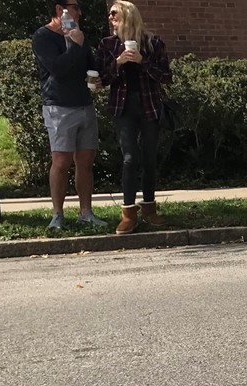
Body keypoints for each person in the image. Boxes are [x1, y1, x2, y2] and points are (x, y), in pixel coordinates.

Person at [98, 1, 172, 235]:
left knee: (149, 158)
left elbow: (166, 77)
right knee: (130, 158)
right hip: (124, 109)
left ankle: (149, 209)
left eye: (114, 14)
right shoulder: (108, 45)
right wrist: (118, 62)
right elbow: (102, 79)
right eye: (110, 15)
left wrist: (142, 60)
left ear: (128, 16)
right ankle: (128, 213)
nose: (110, 18)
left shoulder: (153, 43)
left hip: (149, 106)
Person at [33, 1, 105, 230]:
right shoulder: (43, 37)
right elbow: (57, 68)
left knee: (85, 162)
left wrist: (96, 79)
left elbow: (89, 66)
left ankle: (86, 213)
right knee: (61, 162)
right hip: (59, 107)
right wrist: (74, 44)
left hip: (84, 105)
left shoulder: (79, 35)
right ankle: (57, 215)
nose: (80, 12)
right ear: (59, 9)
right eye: (75, 6)